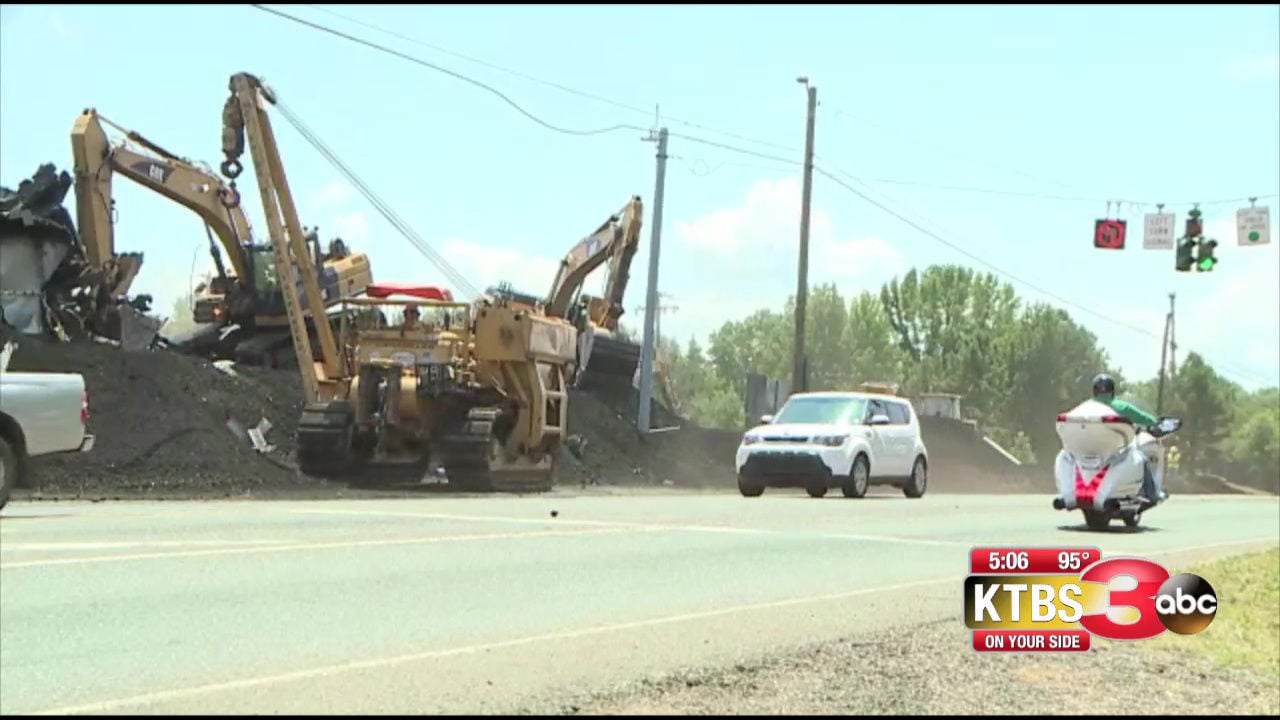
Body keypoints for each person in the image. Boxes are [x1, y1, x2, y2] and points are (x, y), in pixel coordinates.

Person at [1090, 373, 1166, 503]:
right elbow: (1146, 419)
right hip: (1116, 450)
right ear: (1112, 390)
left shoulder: (1088, 407)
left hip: (1090, 450)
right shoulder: (1121, 407)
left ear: (1094, 391)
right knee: (1142, 460)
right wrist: (1156, 423)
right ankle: (1152, 493)